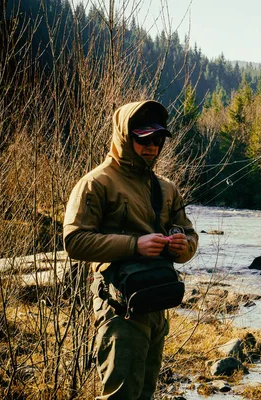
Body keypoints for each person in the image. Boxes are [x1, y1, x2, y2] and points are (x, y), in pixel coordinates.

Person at [63, 100, 198, 399]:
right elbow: (74, 240)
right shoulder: (95, 183)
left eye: (157, 140)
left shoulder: (167, 188)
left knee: (146, 393)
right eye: (143, 139)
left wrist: (181, 245)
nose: (151, 147)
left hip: (157, 304)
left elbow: (189, 235)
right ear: (125, 136)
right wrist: (134, 245)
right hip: (118, 306)